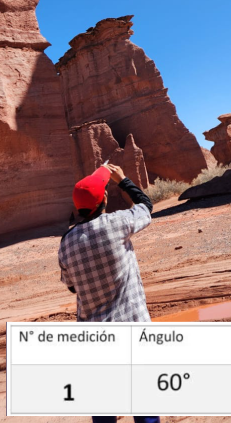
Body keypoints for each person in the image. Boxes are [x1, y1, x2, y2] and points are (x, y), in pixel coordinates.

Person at [58, 162, 159, 423]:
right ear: (103, 198)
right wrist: (123, 180)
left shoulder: (66, 243)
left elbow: (71, 286)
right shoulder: (117, 223)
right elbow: (146, 207)